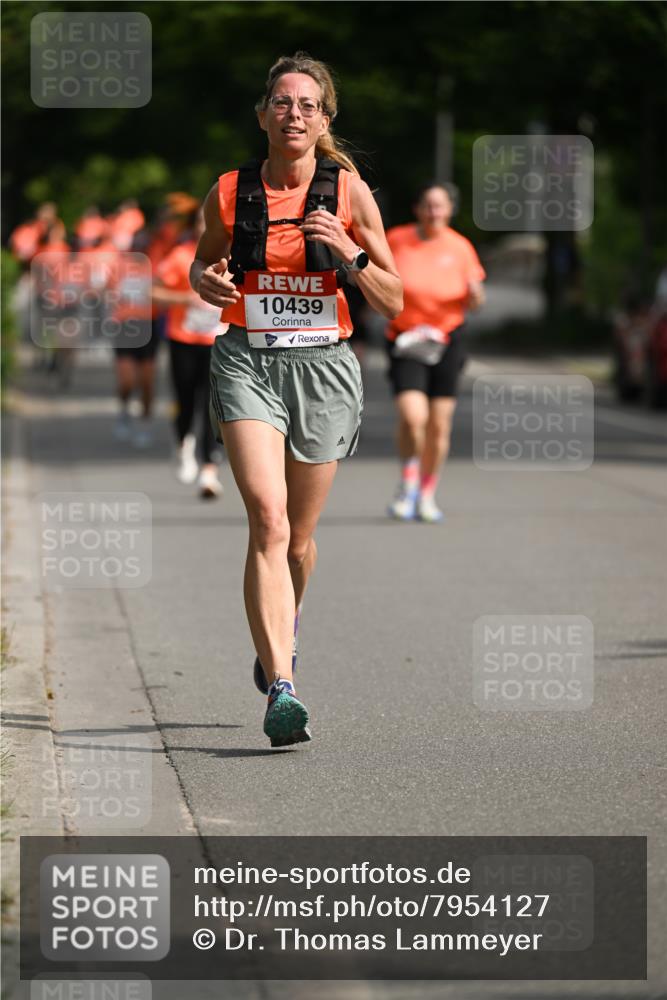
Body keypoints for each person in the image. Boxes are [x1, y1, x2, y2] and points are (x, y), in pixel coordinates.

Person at [190, 52, 402, 747]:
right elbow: (203, 262)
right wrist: (209, 281)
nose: (294, 114)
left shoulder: (348, 192)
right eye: (282, 102)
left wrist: (349, 250)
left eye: (307, 105)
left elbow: (394, 300)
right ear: (262, 114)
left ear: (324, 119)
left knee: (300, 542)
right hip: (245, 360)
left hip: (322, 367)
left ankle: (283, 626)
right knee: (268, 523)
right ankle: (282, 687)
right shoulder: (228, 190)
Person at [385, 183, 485, 523]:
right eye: (428, 205)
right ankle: (408, 482)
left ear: (450, 210)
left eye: (440, 206)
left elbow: (477, 300)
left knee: (439, 426)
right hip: (406, 339)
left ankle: (427, 493)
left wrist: (474, 296)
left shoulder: (460, 247)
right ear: (417, 208)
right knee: (414, 419)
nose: (433, 212)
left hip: (446, 341)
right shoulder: (397, 239)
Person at [153, 204, 226, 498]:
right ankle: (183, 442)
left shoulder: (232, 256)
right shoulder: (181, 255)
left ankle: (209, 471)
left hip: (218, 342)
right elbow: (153, 291)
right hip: (183, 339)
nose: (205, 228)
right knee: (186, 401)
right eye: (201, 222)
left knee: (213, 406)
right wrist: (185, 298)